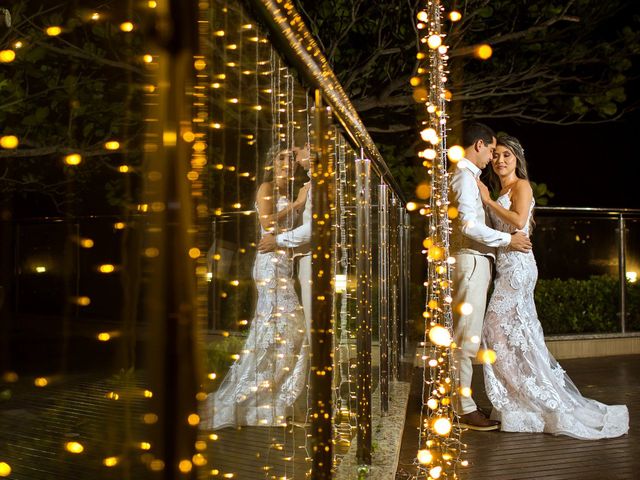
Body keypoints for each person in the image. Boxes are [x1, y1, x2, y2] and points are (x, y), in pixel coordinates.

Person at [478, 134, 629, 439]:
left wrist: (487, 201)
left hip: (518, 269)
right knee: (510, 335)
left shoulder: (520, 186)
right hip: (506, 266)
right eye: (496, 156)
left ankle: (534, 398)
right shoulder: (502, 188)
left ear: (517, 159)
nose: (501, 160)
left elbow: (519, 222)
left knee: (496, 330)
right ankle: (521, 400)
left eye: (507, 155)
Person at [204, 146, 310, 430]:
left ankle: (276, 397)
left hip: (284, 264)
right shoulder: (267, 187)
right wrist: (297, 205)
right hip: (269, 264)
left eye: (292, 159)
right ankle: (257, 396)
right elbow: (266, 222)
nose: (288, 163)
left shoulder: (291, 191)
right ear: (272, 163)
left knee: (281, 331)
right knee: (289, 328)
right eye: (282, 158)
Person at [449, 122, 532, 431]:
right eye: (492, 152)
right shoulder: (465, 178)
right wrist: (507, 241)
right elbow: (469, 227)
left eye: (505, 155)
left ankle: (461, 400)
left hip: (477, 262)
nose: (493, 160)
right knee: (467, 338)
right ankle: (463, 407)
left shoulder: (471, 178)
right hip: (470, 262)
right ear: (480, 145)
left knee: (468, 336)